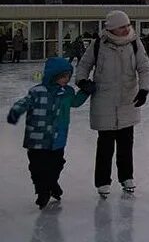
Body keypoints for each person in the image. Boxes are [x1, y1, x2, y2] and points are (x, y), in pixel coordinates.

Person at [76, 10, 149, 198]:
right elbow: (84, 65)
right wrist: (82, 80)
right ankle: (102, 181)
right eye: (122, 27)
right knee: (105, 145)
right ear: (111, 29)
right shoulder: (98, 44)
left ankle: (127, 177)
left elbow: (144, 67)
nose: (126, 29)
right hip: (104, 99)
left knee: (126, 143)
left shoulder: (134, 43)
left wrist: (144, 89)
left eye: (127, 25)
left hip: (128, 99)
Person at [7, 57, 95, 209]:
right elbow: (24, 102)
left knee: (56, 164)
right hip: (37, 137)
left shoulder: (67, 92)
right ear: (52, 76)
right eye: (62, 76)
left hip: (58, 137)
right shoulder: (38, 91)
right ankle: (42, 192)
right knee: (37, 167)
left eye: (68, 76)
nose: (65, 80)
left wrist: (85, 92)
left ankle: (52, 183)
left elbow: (75, 103)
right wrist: (15, 112)